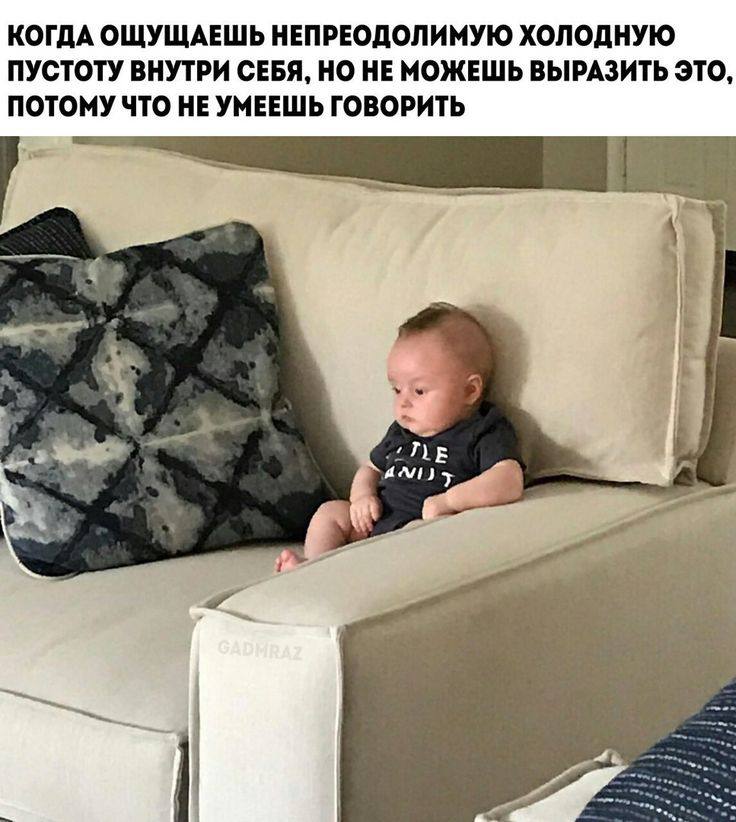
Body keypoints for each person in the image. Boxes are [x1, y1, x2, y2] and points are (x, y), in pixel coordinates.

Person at [274, 301, 525, 573]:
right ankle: (312, 570)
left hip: (421, 527)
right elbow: (370, 469)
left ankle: (341, 574)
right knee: (330, 512)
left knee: (422, 535)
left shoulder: (482, 429)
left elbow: (508, 479)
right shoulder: (401, 432)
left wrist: (449, 501)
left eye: (419, 391)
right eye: (396, 390)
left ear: (470, 391)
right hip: (376, 522)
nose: (403, 402)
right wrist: (361, 498)